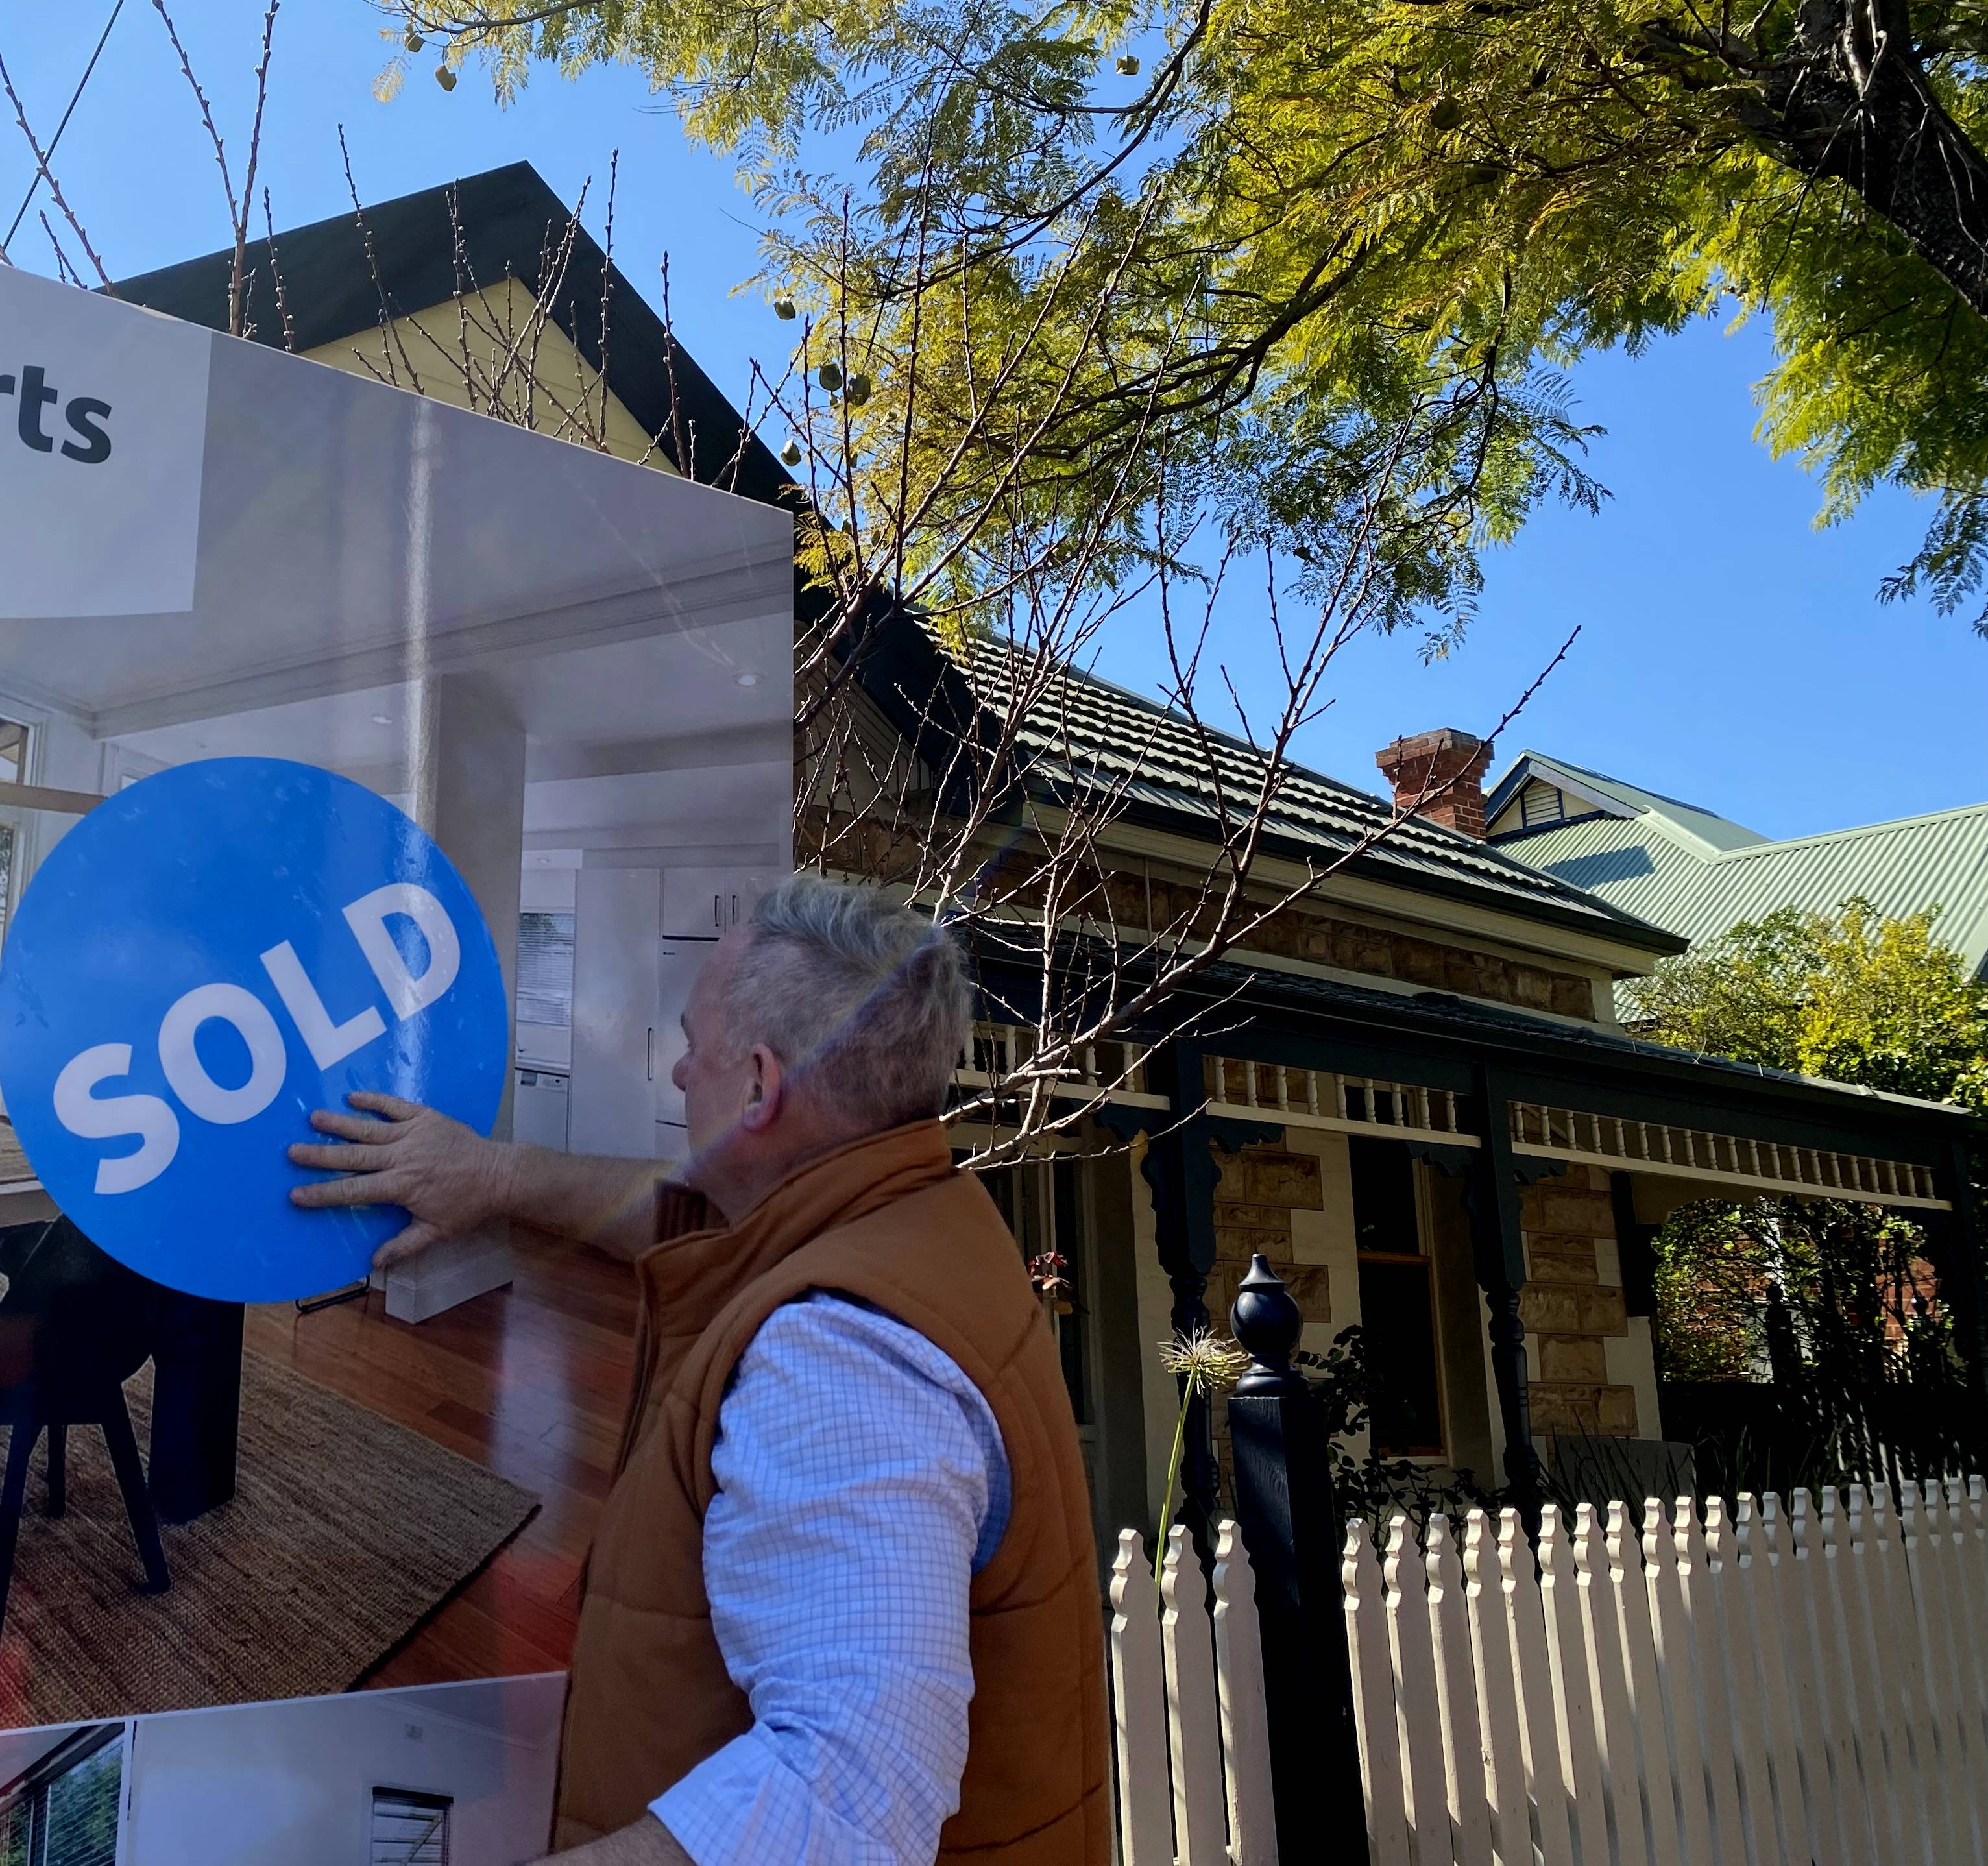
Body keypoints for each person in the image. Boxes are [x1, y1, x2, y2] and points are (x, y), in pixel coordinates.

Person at [286, 875, 1110, 1866]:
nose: (681, 1077)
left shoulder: (843, 1354)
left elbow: (851, 1791)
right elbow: (697, 1215)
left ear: (760, 1086)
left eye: (694, 1046)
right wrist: (494, 1176)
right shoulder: (914, 1214)